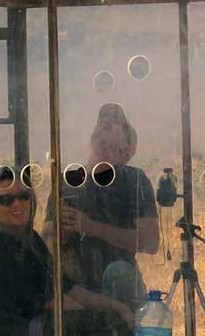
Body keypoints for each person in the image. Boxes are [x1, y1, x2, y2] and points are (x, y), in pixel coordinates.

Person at [0, 168, 133, 336]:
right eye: (6, 199)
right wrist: (101, 318)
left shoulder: (31, 240)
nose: (17, 204)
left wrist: (117, 307)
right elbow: (53, 302)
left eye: (23, 196)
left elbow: (67, 289)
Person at [44, 103, 159, 311]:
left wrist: (90, 227)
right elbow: (46, 239)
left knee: (118, 272)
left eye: (116, 124)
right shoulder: (68, 180)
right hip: (76, 287)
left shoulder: (134, 180)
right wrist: (62, 231)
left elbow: (150, 242)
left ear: (126, 150)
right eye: (101, 122)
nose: (105, 123)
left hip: (119, 286)